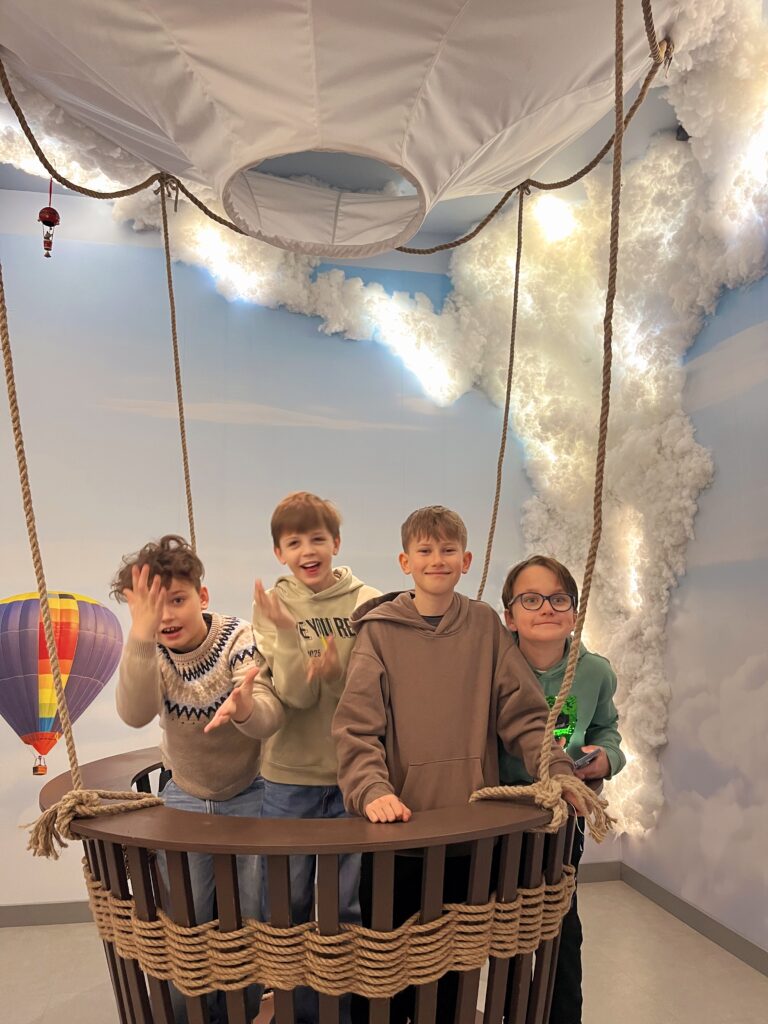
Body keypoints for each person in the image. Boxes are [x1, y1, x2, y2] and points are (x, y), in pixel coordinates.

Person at [332, 506, 582, 1023]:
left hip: (469, 838)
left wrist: (557, 770)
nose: (437, 559)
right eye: (425, 550)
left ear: (466, 560)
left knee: (453, 975)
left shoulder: (486, 626)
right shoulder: (378, 633)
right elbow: (356, 727)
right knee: (384, 976)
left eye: (448, 550)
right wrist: (372, 790)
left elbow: (525, 716)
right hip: (398, 836)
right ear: (405, 561)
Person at [112, 534, 285, 1024]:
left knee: (250, 914)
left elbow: (269, 715)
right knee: (186, 917)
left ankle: (240, 1010)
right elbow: (134, 713)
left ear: (202, 596)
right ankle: (194, 1013)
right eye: (153, 607)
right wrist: (139, 636)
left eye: (177, 600)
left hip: (249, 791)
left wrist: (245, 707)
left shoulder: (238, 637)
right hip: (185, 794)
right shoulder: (150, 649)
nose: (166, 616)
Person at [251, 492, 380, 1024]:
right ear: (279, 552)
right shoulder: (271, 606)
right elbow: (293, 698)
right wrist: (288, 636)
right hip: (288, 779)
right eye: (294, 542)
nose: (308, 550)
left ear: (337, 544)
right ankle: (298, 1013)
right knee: (286, 906)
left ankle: (338, 1013)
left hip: (353, 775)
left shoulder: (368, 601)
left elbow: (375, 687)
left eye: (317, 539)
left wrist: (337, 674)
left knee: (346, 908)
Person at [500, 554, 625, 1024]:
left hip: (563, 817)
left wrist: (607, 757)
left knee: (560, 927)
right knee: (506, 928)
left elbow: (607, 729)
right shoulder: (494, 669)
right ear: (510, 616)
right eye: (531, 599)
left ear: (574, 612)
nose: (547, 608)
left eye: (559, 599)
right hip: (500, 818)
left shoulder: (594, 672)